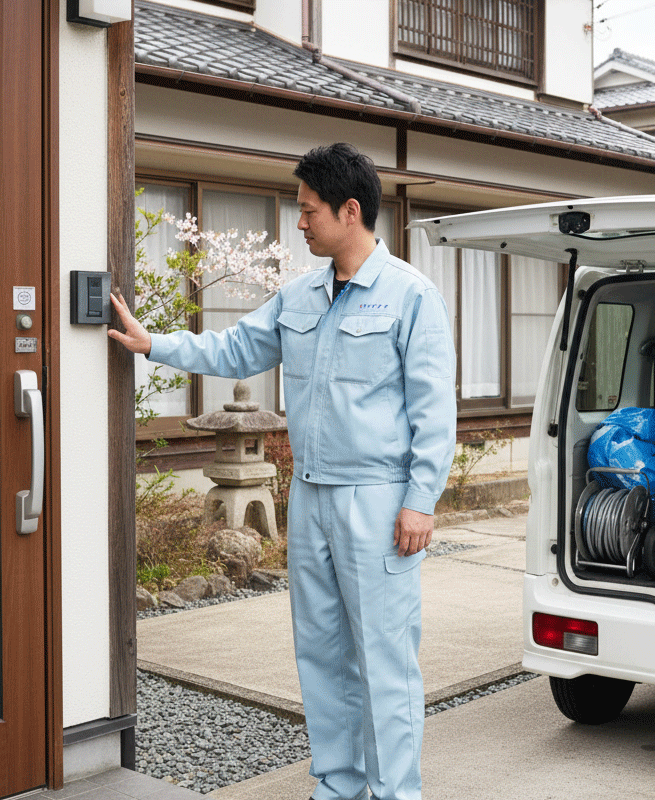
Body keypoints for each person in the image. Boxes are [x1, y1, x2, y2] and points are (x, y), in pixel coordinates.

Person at [110, 143, 457, 800]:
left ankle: (395, 793)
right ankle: (338, 785)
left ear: (349, 211)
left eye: (308, 210)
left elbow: (434, 408)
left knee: (384, 658)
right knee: (320, 651)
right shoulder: (299, 297)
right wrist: (153, 344)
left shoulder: (411, 296)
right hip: (311, 496)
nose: (299, 223)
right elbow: (234, 348)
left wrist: (421, 499)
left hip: (378, 500)